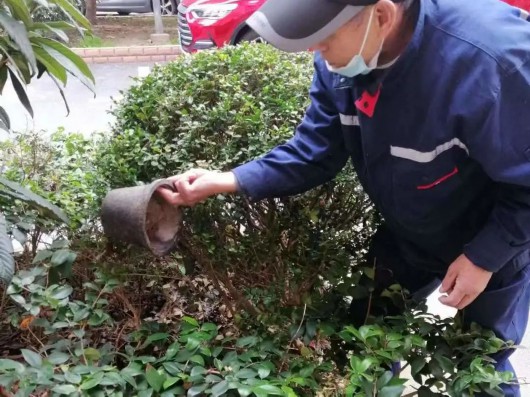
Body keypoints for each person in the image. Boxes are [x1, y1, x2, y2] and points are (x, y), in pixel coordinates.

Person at [158, 0, 530, 394]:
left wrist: (484, 256)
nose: (313, 51)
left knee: (480, 360)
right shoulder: (344, 59)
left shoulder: (493, 60)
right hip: (408, 232)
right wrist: (225, 180)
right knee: (367, 332)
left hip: (493, 234)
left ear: (382, 16)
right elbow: (315, 150)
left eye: (324, 40)